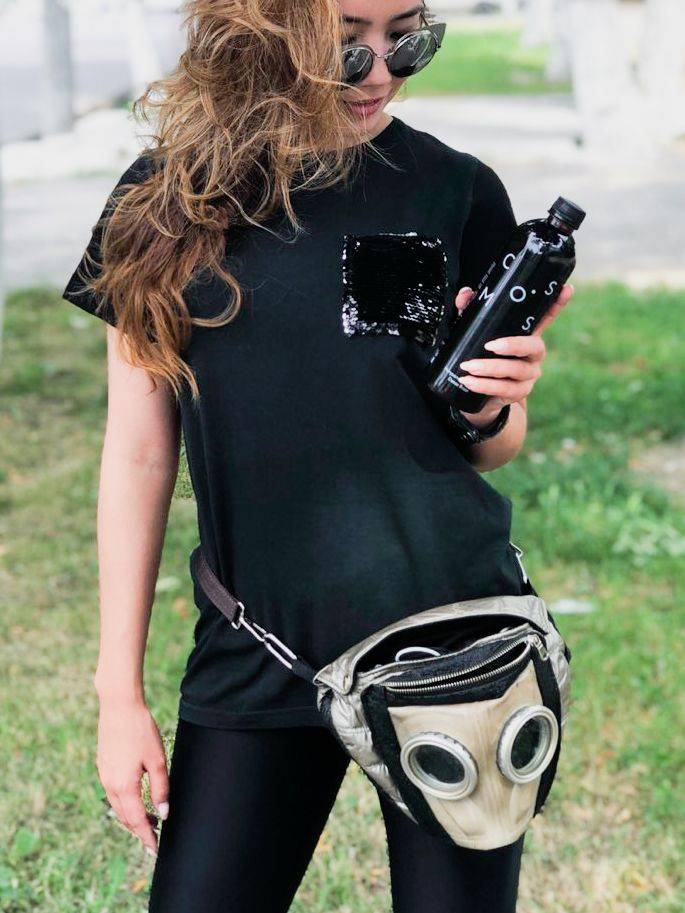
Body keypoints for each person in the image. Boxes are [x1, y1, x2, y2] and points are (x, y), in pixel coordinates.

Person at [62, 1, 574, 911]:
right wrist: (118, 694)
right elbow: (137, 453)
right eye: (345, 45)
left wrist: (497, 401)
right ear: (264, 31)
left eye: (406, 38)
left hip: (451, 645)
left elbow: (489, 448)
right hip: (260, 640)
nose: (380, 71)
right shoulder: (164, 201)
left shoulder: (455, 189)